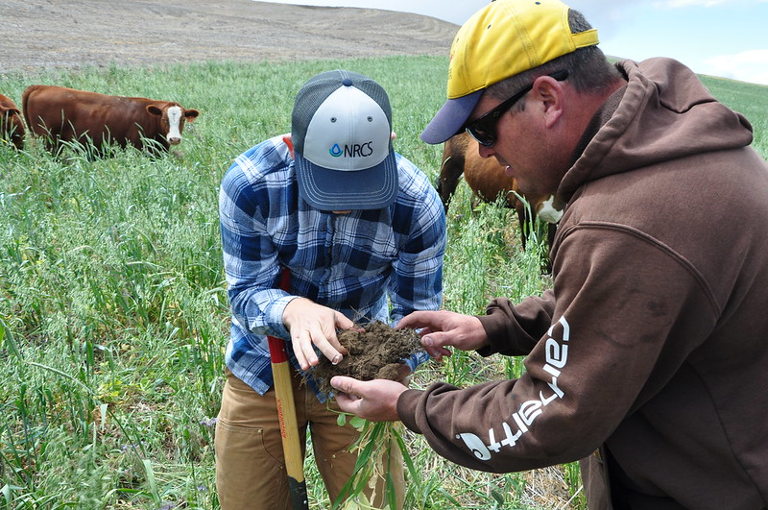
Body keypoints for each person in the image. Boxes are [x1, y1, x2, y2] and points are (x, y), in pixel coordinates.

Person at [330, 1, 768, 509]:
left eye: (483, 129)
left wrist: (412, 406)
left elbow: (553, 413)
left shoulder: (627, 219)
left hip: (702, 489)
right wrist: (493, 328)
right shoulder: (670, 145)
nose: (484, 152)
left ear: (546, 99)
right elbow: (615, 303)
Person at [215, 69, 446, 510]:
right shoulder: (251, 185)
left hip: (361, 374)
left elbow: (417, 313)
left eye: (362, 185)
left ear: (390, 143)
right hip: (262, 367)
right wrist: (293, 310)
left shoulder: (416, 204)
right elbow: (245, 293)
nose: (346, 202)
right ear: (292, 148)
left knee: (375, 503)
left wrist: (398, 366)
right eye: (330, 184)